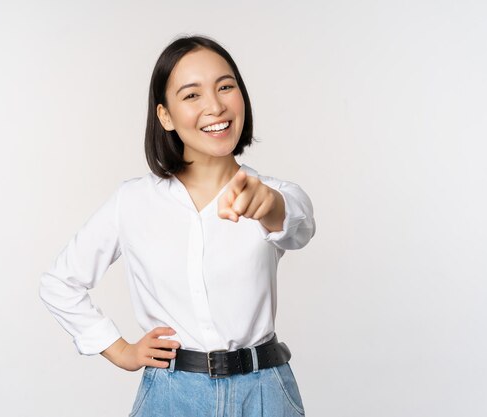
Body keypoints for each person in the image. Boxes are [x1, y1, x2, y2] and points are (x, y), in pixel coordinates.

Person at [39, 35, 316, 417]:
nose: (215, 106)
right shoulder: (132, 202)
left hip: (265, 394)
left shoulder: (274, 193)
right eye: (192, 95)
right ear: (165, 116)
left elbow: (298, 225)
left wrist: (269, 205)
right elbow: (60, 282)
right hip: (172, 396)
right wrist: (119, 350)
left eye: (225, 86)